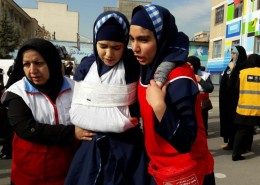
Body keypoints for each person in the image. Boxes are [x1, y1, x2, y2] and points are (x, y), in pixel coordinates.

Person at [129, 4, 215, 185]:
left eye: (143, 40)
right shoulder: (146, 70)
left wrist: (160, 107)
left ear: (161, 39)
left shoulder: (179, 77)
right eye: (131, 39)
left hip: (185, 173)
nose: (135, 47)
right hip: (159, 168)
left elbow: (185, 140)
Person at [64, 11, 150, 185]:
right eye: (103, 46)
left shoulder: (133, 65)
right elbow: (79, 103)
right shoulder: (87, 66)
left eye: (116, 47)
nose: (109, 54)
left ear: (124, 44)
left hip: (126, 146)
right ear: (95, 42)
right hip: (91, 146)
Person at [1, 38, 95, 185]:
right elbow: (26, 128)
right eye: (26, 64)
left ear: (51, 62)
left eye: (38, 63)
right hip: (29, 176)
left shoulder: (75, 88)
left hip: (68, 172)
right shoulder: (17, 93)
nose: (32, 70)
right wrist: (72, 133)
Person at [232, 53, 260, 161]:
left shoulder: (243, 73)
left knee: (242, 131)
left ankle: (236, 154)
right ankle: (247, 147)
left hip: (244, 108)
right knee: (250, 130)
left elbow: (236, 88)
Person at [219, 45, 247, 150]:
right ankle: (230, 143)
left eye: (234, 53)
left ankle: (238, 146)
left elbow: (235, 83)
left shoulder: (243, 66)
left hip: (237, 100)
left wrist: (233, 70)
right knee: (228, 122)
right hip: (227, 100)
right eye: (231, 53)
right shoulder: (230, 64)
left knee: (236, 124)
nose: (232, 55)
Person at [187, 56, 214, 136]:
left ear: (195, 65)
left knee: (202, 121)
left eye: (190, 65)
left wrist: (200, 80)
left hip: (202, 104)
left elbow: (210, 88)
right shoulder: (185, 74)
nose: (188, 67)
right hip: (189, 102)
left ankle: (203, 134)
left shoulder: (204, 75)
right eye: (187, 65)